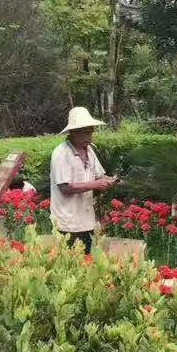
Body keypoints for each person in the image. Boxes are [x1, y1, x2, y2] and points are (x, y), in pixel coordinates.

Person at [50, 106, 117, 253]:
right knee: (69, 261)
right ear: (74, 132)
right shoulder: (61, 153)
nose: (90, 137)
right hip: (67, 223)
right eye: (86, 133)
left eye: (91, 132)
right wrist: (96, 184)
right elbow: (65, 187)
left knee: (86, 260)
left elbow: (99, 175)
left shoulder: (89, 150)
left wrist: (110, 180)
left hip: (86, 221)